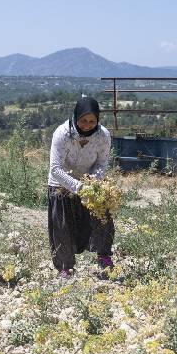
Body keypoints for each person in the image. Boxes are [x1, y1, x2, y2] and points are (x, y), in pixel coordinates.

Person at [48, 97, 114, 277]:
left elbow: (101, 163)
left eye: (92, 121)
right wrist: (78, 187)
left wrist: (92, 183)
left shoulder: (103, 136)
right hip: (62, 182)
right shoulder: (62, 133)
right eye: (83, 120)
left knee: (102, 219)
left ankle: (104, 256)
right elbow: (55, 169)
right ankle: (64, 267)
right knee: (62, 226)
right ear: (76, 117)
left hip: (89, 182)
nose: (87, 125)